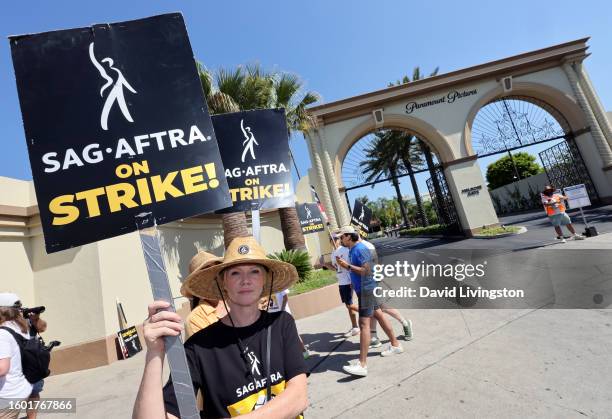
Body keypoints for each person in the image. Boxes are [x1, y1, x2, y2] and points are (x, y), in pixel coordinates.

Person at [133, 237, 308, 418]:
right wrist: (154, 353)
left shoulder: (281, 324)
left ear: (264, 279)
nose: (245, 280)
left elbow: (299, 396)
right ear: (223, 283)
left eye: (254, 271)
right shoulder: (198, 347)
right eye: (235, 273)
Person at [334, 226, 403, 377]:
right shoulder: (352, 249)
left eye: (341, 237)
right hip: (364, 289)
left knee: (364, 324)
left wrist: (347, 266)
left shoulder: (360, 249)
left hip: (367, 289)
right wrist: (352, 277)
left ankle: (362, 364)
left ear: (349, 236)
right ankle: (396, 345)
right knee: (379, 315)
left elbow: (367, 270)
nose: (340, 240)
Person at [0, 293, 33, 419]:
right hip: (20, 388)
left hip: (7, 395)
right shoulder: (20, 327)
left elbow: (3, 368)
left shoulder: (2, 333)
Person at [180, 251, 225, 339]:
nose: (214, 275)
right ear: (196, 285)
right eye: (206, 272)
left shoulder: (237, 299)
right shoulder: (195, 320)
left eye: (217, 268)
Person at [324, 235, 359, 338]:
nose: (333, 241)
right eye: (331, 239)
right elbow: (336, 268)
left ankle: (367, 313)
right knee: (348, 305)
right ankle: (355, 327)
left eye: (335, 239)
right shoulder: (333, 253)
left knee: (349, 305)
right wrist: (327, 265)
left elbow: (350, 264)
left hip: (348, 280)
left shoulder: (344, 250)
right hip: (341, 282)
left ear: (339, 240)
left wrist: (351, 277)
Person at [265, 289, 311, 359]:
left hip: (283, 314)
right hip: (272, 315)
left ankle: (303, 350)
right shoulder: (266, 287)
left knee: (293, 333)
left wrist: (282, 311)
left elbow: (285, 298)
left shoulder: (281, 285)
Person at [24, 310, 47, 419]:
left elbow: (43, 328)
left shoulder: (27, 315)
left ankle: (31, 417)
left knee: (33, 392)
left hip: (32, 361)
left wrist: (36, 319)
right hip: (12, 363)